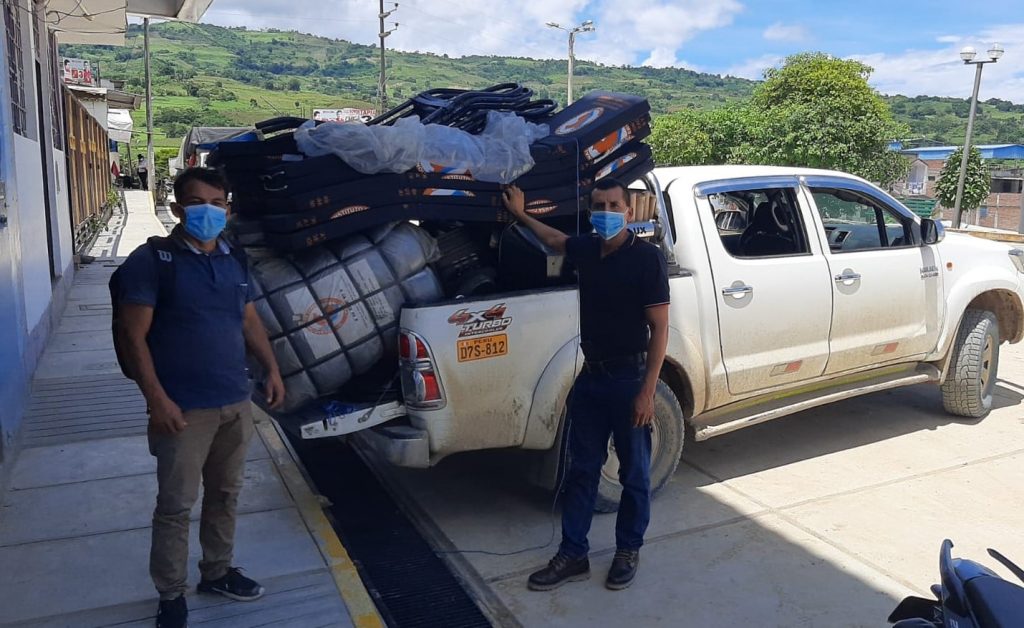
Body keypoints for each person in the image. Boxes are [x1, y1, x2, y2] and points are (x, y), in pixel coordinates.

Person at [116, 168, 286, 628]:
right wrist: (157, 401)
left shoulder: (234, 257)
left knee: (226, 495)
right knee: (175, 506)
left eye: (217, 202)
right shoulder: (151, 262)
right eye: (197, 203)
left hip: (235, 399)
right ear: (177, 209)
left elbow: (247, 318)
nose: (208, 211)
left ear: (227, 209)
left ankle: (217, 571)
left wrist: (270, 368)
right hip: (183, 411)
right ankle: (170, 594)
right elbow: (134, 338)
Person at [502, 178, 670, 592]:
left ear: (629, 212)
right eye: (600, 205)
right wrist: (521, 213)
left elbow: (661, 328)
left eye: (615, 205)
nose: (607, 212)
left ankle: (628, 550)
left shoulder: (647, 259)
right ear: (590, 210)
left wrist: (648, 391)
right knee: (580, 471)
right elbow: (556, 239)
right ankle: (573, 553)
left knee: (633, 475)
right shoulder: (588, 251)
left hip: (630, 380)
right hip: (591, 380)